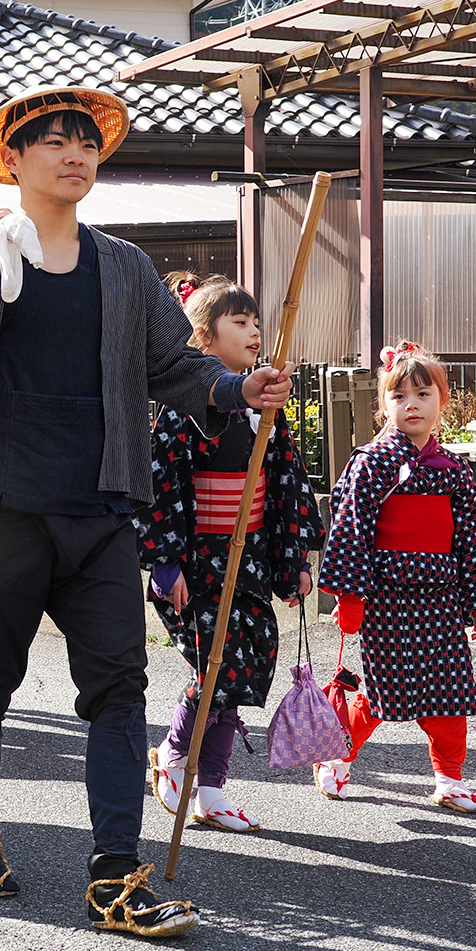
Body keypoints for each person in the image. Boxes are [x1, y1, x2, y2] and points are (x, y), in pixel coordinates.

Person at [0, 85, 291, 936]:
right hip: (0, 509)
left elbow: (175, 370)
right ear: (14, 160)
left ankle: (115, 876)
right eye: (54, 142)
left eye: (86, 143)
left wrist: (234, 385)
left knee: (119, 690)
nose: (76, 155)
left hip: (105, 509)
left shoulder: (124, 266)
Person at [139, 272, 324, 832]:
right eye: (239, 321)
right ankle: (176, 753)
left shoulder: (267, 408)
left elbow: (287, 483)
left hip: (250, 558)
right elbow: (163, 482)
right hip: (198, 560)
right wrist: (165, 560)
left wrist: (294, 563)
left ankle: (211, 788)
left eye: (256, 322)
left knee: (241, 669)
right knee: (212, 665)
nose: (254, 330)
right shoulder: (179, 409)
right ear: (202, 338)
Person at [315, 342, 476, 812]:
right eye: (399, 397)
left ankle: (450, 778)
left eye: (422, 394)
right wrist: (350, 596)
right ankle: (336, 756)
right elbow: (351, 527)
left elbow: (473, 539)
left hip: (440, 595)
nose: (411, 404)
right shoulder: (371, 461)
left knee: (449, 692)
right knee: (384, 690)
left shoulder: (453, 469)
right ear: (384, 406)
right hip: (386, 596)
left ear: (443, 400)